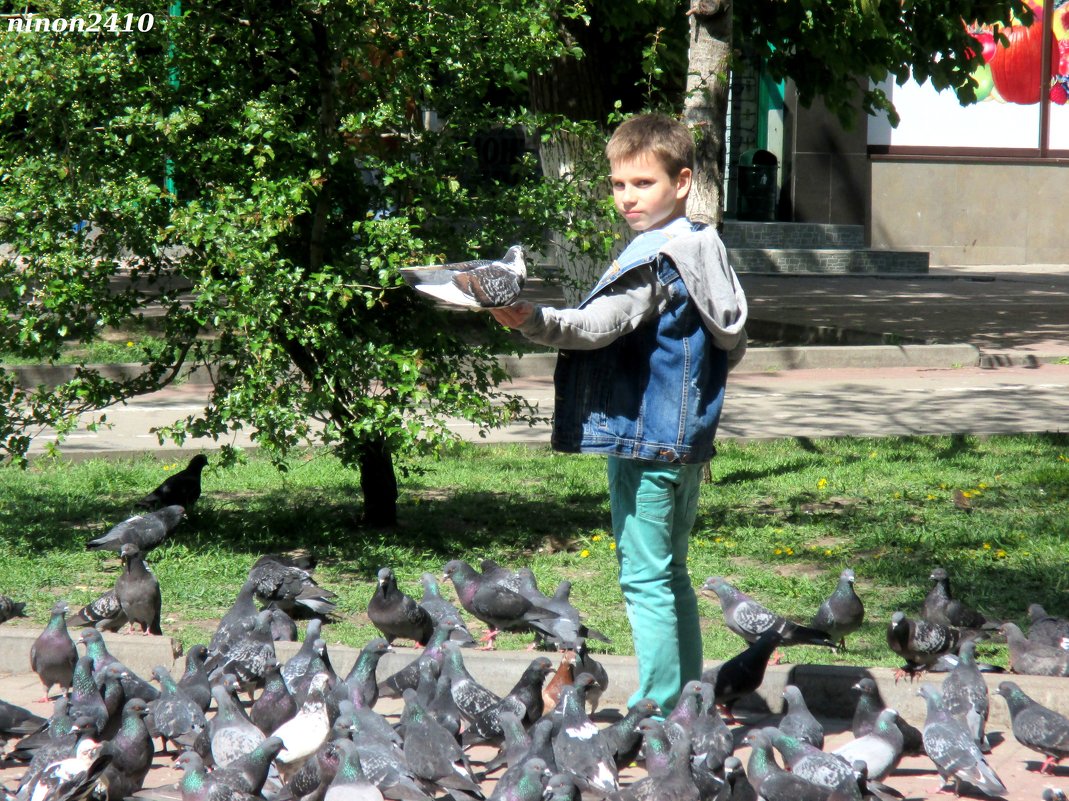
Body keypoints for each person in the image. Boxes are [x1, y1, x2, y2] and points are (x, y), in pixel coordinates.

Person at [491, 113, 748, 713]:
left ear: (682, 182)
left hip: (645, 442)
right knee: (672, 574)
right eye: (618, 185)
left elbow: (596, 327)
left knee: (644, 580)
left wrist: (530, 319)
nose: (628, 198)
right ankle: (690, 700)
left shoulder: (656, 259)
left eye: (643, 183)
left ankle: (657, 707)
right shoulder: (705, 244)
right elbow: (732, 342)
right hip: (685, 444)